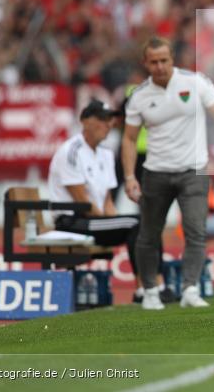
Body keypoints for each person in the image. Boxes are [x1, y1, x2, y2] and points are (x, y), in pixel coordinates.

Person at [122, 37, 214, 310]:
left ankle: (190, 288)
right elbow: (129, 139)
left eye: (164, 60)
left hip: (194, 171)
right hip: (155, 172)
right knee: (148, 234)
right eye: (153, 62)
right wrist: (130, 177)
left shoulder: (195, 82)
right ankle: (151, 291)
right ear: (145, 63)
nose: (159, 66)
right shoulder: (139, 96)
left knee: (196, 231)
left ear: (172, 59)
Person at [48, 99, 160, 302]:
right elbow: (81, 201)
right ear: (85, 121)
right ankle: (144, 289)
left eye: (110, 119)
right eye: (102, 119)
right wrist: (113, 225)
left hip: (92, 220)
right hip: (71, 222)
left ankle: (154, 286)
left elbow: (107, 201)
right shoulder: (71, 152)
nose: (108, 124)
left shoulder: (106, 154)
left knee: (146, 222)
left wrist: (114, 223)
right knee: (136, 223)